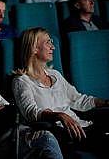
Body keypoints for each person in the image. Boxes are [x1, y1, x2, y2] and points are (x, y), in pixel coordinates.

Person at [12, 27, 109, 157]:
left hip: (79, 127)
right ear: (34, 48)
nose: (53, 47)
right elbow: (31, 112)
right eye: (48, 42)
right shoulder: (21, 81)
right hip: (60, 133)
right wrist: (59, 115)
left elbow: (78, 99)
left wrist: (106, 102)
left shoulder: (55, 74)